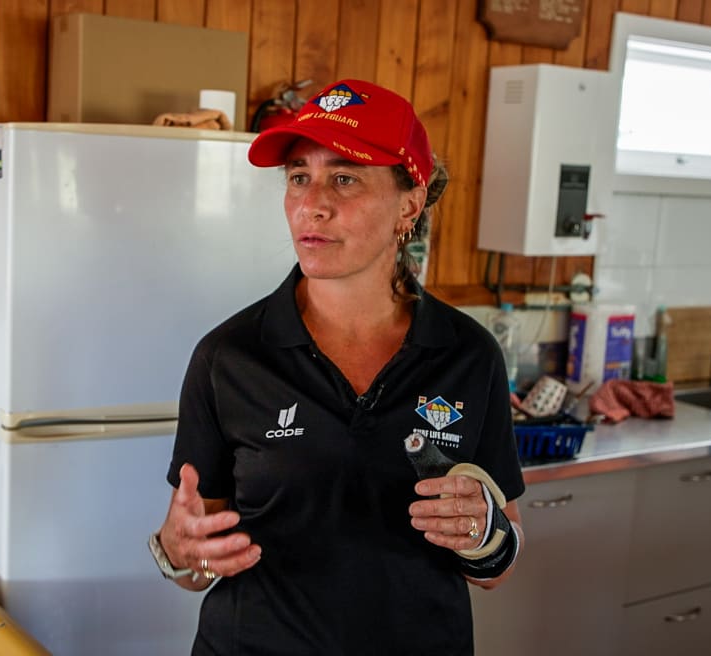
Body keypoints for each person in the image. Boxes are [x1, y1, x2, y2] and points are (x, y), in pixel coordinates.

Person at [147, 79, 525, 655]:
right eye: (299, 176)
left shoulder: (467, 354)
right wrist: (178, 551)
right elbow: (197, 560)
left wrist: (485, 533)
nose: (311, 202)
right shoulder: (229, 357)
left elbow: (495, 563)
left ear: (410, 202)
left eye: (344, 177)